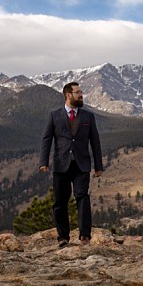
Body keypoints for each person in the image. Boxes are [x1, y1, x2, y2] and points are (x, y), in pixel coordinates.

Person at [39, 82, 104, 248]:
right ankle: (63, 237)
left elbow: (95, 142)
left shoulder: (88, 116)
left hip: (81, 164)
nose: (81, 95)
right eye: (78, 92)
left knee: (82, 197)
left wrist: (98, 165)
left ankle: (84, 236)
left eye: (81, 92)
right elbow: (47, 139)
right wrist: (43, 162)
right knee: (60, 201)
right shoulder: (54, 115)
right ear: (68, 95)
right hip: (61, 164)